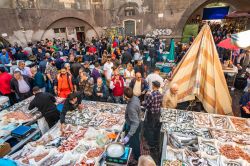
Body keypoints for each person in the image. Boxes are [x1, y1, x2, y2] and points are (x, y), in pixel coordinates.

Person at [122, 87, 141, 161]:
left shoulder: (131, 107)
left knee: (135, 143)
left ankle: (137, 159)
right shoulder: (135, 97)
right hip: (136, 122)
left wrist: (129, 135)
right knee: (134, 142)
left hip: (134, 127)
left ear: (126, 96)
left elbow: (135, 123)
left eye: (124, 96)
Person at [142, 81, 163, 148]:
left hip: (152, 114)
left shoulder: (151, 95)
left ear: (154, 86)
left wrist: (143, 102)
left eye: (152, 85)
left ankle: (151, 144)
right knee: (156, 128)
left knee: (150, 128)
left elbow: (147, 104)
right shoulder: (160, 94)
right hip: (158, 113)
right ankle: (156, 142)